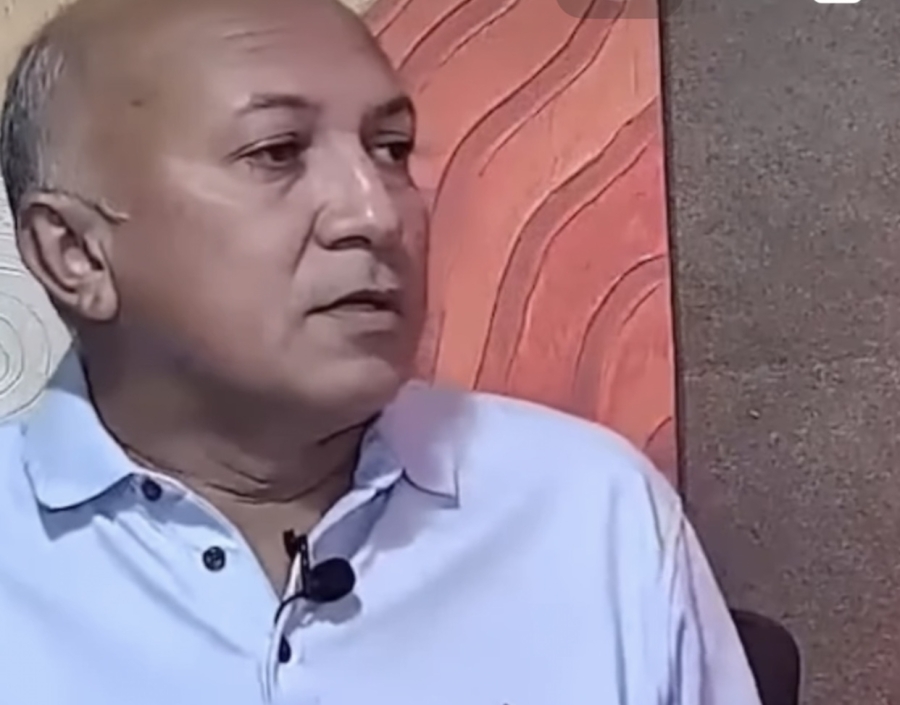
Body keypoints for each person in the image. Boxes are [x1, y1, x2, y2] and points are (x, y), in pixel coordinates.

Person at [0, 0, 761, 703]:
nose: (376, 212)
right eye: (276, 152)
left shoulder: (591, 512)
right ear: (75, 254)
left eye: (391, 149)